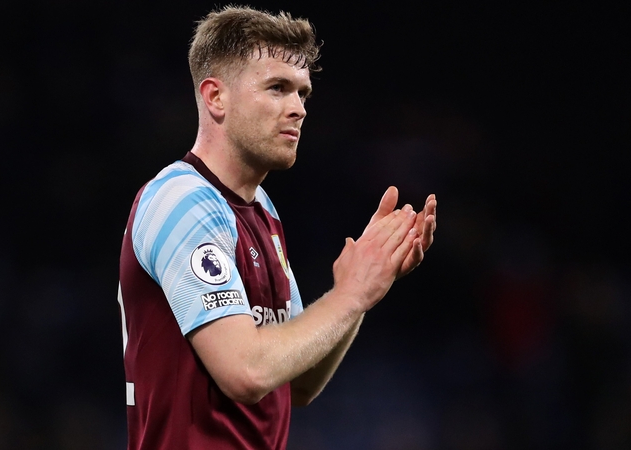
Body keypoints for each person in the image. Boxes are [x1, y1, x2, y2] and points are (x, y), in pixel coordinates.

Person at [117, 5, 437, 450]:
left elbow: (298, 383)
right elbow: (246, 372)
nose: (298, 109)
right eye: (277, 88)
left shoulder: (261, 210)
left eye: (302, 93)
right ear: (215, 97)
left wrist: (365, 284)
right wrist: (351, 294)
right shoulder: (183, 201)